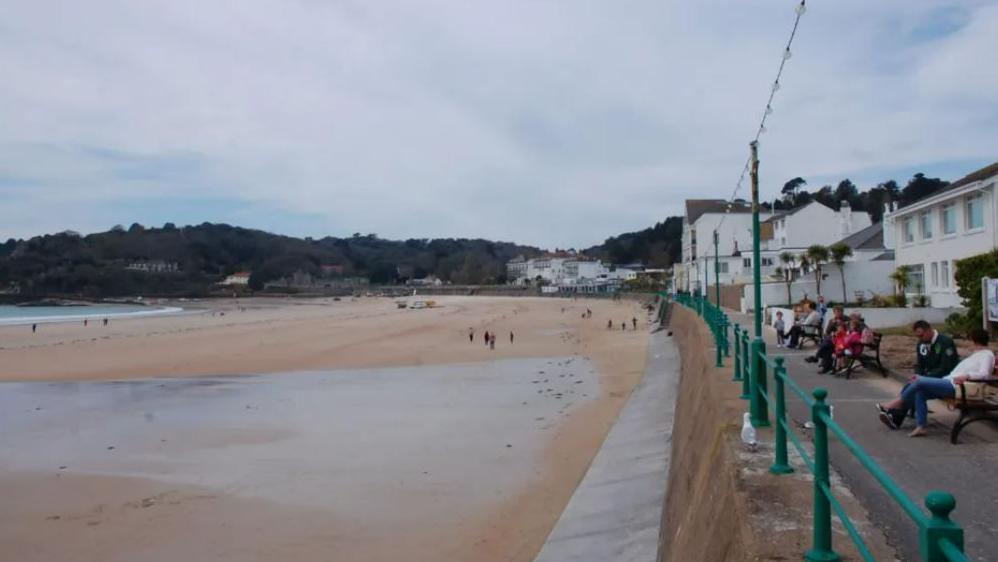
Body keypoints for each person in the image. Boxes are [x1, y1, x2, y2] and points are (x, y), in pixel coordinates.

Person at [878, 328, 995, 437]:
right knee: (920, 391)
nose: (968, 342)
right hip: (950, 382)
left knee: (918, 381)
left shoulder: (987, 355)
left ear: (974, 340)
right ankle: (921, 426)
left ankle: (897, 403)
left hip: (960, 387)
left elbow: (984, 374)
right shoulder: (977, 355)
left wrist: (967, 375)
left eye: (968, 340)